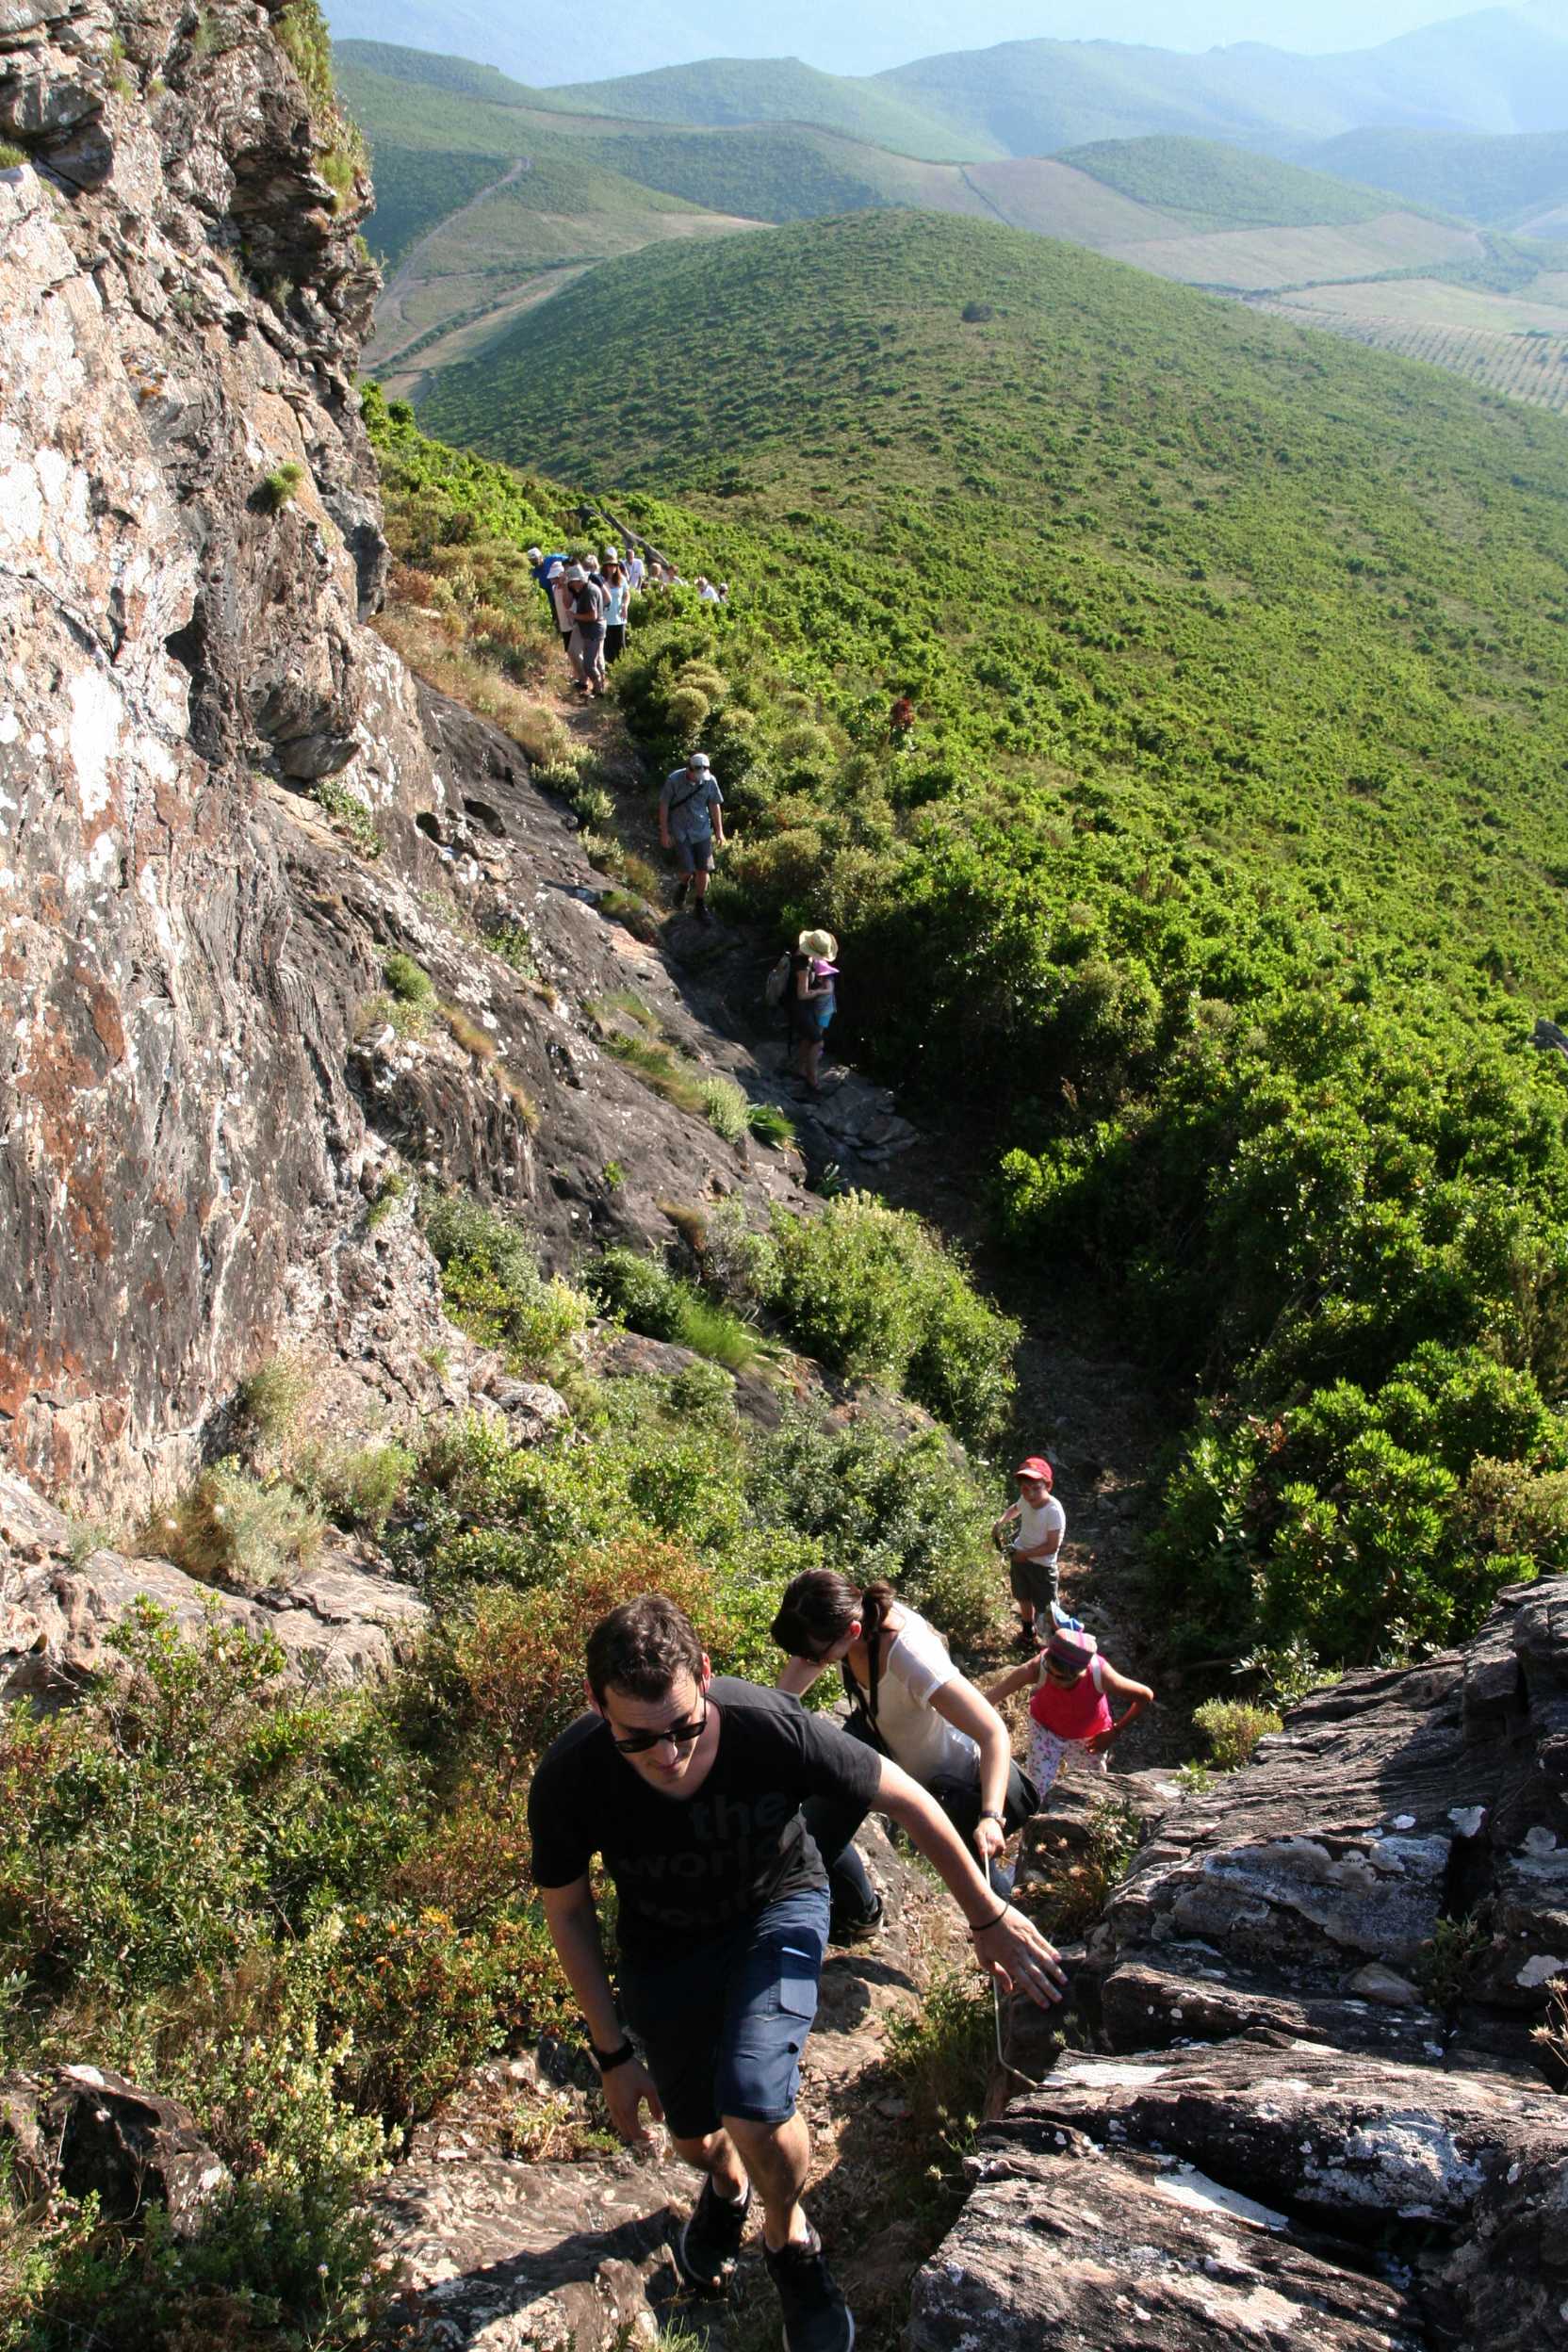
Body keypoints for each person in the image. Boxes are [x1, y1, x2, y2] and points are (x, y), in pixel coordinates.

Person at [528, 1593, 1065, 2352]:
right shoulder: (571, 1776)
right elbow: (570, 1910)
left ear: (705, 1677)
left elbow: (907, 1798)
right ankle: (726, 2186)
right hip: (664, 1947)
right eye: (638, 1739)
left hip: (774, 1908)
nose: (669, 1755)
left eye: (683, 1727)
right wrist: (612, 2054)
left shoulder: (764, 1725)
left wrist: (986, 1917)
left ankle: (788, 2237)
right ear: (595, 1704)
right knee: (691, 2135)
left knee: (753, 2102)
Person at [772, 1572, 1037, 1939]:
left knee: (984, 1890)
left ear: (850, 1632)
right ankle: (862, 1917)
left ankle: (1026, 1948)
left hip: (955, 1782)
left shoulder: (910, 1656)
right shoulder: (844, 1620)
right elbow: (782, 1699)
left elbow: (992, 1731)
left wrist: (991, 1816)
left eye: (814, 1654)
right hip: (878, 1737)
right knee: (814, 1834)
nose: (808, 1662)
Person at [986, 1625, 1153, 1795]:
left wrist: (1115, 1731)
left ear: (1082, 1672)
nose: (1053, 1679)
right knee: (1037, 1790)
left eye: (1061, 1677)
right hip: (1046, 1731)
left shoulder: (1100, 1675)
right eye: (1050, 1671)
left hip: (1089, 1738)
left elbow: (1145, 1696)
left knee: (1089, 1791)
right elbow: (992, 1696)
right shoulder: (1039, 1667)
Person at [992, 1456, 1066, 1647]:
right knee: (1023, 1598)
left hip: (1042, 1567)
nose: (1030, 1493)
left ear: (1047, 1486)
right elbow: (1015, 1508)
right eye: (1025, 1488)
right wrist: (1001, 1522)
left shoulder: (1053, 1511)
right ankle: (1028, 1633)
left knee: (1048, 1609)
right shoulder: (1025, 1499)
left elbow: (1052, 1546)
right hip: (1020, 1558)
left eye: (1036, 1488)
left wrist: (1024, 1554)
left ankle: (1055, 1646)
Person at [660, 750, 725, 919]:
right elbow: (664, 805)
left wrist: (719, 832)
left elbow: (714, 805)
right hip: (681, 831)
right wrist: (665, 832)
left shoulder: (710, 781)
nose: (700, 777)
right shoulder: (674, 780)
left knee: (703, 870)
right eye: (697, 773)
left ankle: (700, 904)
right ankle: (683, 885)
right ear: (690, 769)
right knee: (687, 869)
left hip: (702, 831)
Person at [787, 929, 837, 1093]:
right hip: (798, 1007)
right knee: (818, 1041)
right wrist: (819, 992)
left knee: (809, 1039)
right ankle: (811, 1078)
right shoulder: (803, 966)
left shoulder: (800, 955)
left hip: (800, 1006)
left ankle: (800, 1069)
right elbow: (802, 994)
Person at [566, 564, 607, 695]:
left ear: (578, 581)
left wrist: (574, 616)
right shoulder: (586, 590)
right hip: (591, 630)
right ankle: (598, 688)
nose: (571, 585)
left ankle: (599, 688)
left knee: (590, 664)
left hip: (594, 631)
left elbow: (592, 616)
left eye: (572, 582)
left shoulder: (589, 591)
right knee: (595, 662)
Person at [602, 556, 632, 664]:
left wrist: (625, 605)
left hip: (619, 619)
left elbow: (627, 594)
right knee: (607, 648)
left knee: (620, 647)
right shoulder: (601, 580)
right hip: (605, 619)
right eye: (610, 565)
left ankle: (622, 671)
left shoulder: (622, 579)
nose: (612, 568)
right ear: (605, 566)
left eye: (615, 565)